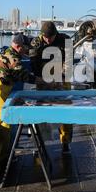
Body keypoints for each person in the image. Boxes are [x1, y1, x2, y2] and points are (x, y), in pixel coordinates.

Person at [0, 33, 37, 163]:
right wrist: (41, 80)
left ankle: (5, 152)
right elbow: (23, 75)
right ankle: (2, 158)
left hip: (3, 86)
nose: (26, 50)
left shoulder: (9, 50)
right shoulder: (13, 57)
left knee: (6, 121)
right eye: (24, 47)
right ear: (17, 45)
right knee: (4, 122)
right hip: (0, 89)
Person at [30, 21, 73, 154]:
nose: (48, 40)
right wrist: (43, 81)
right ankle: (39, 143)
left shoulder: (66, 40)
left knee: (66, 111)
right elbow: (34, 65)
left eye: (51, 38)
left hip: (62, 78)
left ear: (56, 34)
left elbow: (69, 61)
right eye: (45, 38)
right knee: (39, 111)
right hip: (43, 78)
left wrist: (62, 76)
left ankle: (65, 142)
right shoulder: (35, 43)